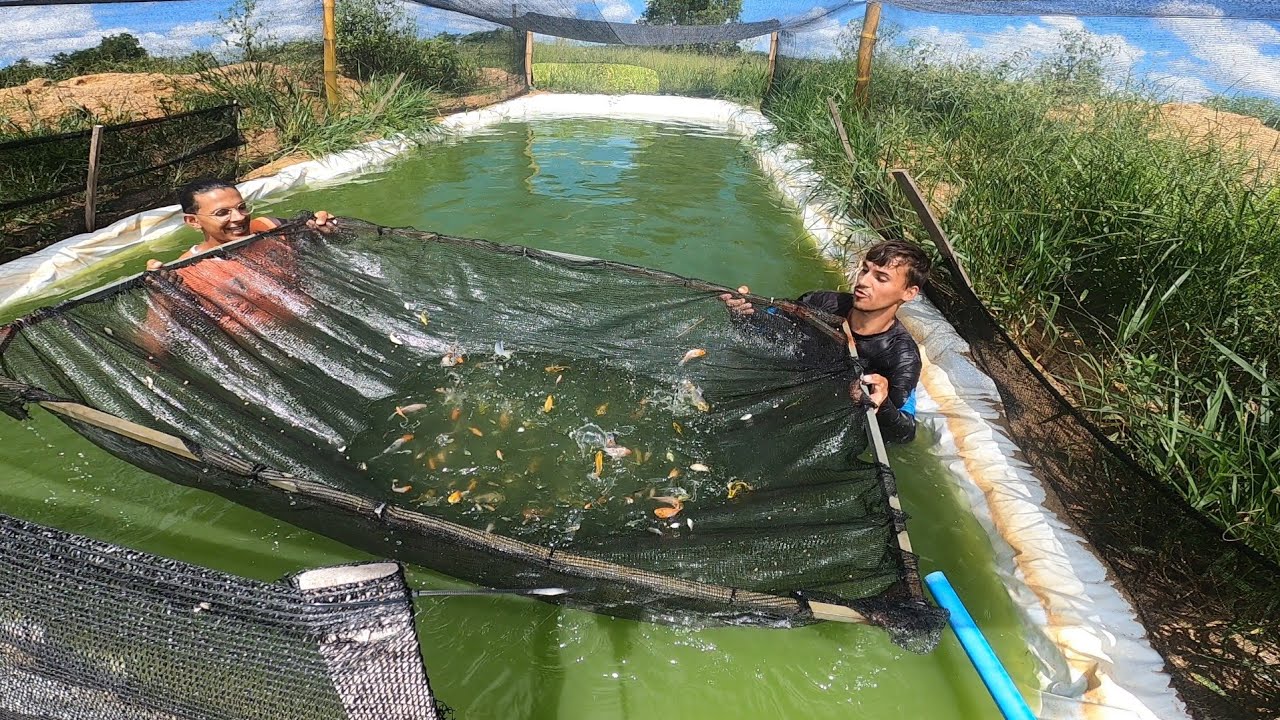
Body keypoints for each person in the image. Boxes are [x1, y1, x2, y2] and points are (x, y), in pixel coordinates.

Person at [721, 240, 931, 443]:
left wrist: (883, 404)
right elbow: (766, 330)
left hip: (816, 421)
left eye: (881, 278)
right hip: (777, 385)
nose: (863, 282)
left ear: (909, 293)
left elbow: (904, 433)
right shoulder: (820, 303)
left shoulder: (902, 357)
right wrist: (745, 314)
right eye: (865, 270)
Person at [145, 178, 337, 270]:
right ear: (193, 221)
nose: (239, 217)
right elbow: (156, 345)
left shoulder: (270, 227)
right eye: (222, 213)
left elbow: (335, 243)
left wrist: (327, 228)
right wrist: (162, 293)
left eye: (242, 207)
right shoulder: (188, 269)